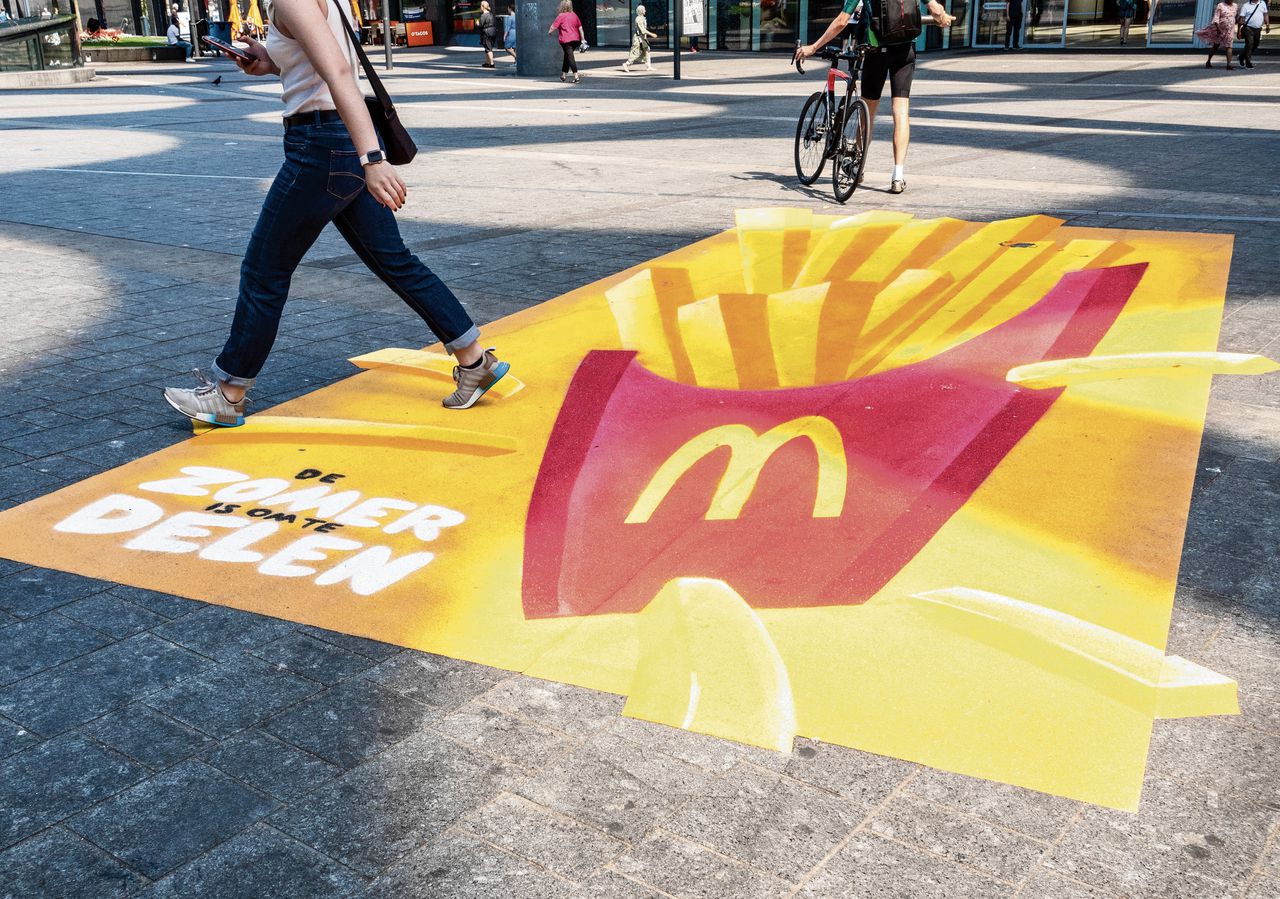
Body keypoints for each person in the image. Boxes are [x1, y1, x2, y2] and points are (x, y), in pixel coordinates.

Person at [163, 0, 509, 426]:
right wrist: (268, 60)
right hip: (337, 143)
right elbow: (321, 62)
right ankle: (475, 361)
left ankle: (228, 393)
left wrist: (373, 157)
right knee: (394, 260)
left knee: (264, 271)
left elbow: (340, 73)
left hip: (322, 147)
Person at [796, 0, 953, 195]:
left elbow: (842, 21)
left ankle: (857, 165)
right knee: (901, 111)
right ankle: (898, 175)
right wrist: (943, 17)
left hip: (876, 51)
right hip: (905, 51)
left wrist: (814, 47)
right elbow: (936, 9)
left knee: (868, 112)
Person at [548, 0, 583, 83]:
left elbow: (553, 26)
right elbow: (580, 28)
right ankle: (563, 75)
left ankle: (576, 76)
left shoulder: (561, 16)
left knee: (570, 57)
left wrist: (549, 32)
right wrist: (583, 39)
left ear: (562, 6)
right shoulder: (574, 15)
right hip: (576, 40)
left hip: (566, 40)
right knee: (567, 56)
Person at [1197, 0, 1238, 67]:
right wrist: (1218, 29)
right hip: (1220, 29)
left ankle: (1229, 64)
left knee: (1229, 46)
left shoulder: (1235, 6)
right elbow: (1216, 18)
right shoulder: (1220, 5)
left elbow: (1235, 16)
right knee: (1216, 46)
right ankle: (1208, 61)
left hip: (1230, 30)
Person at [622, 3, 656, 72]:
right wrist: (652, 34)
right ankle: (626, 64)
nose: (645, 11)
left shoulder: (642, 18)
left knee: (647, 50)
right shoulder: (639, 19)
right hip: (638, 39)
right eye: (644, 10)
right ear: (641, 11)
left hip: (642, 38)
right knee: (635, 53)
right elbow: (642, 30)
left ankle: (648, 66)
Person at [1238, 0, 1269, 67]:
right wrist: (1239, 31)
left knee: (1256, 44)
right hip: (1248, 28)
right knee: (1249, 44)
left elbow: (1265, 14)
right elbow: (1241, 19)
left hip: (1258, 29)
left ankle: (1242, 56)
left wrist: (1267, 25)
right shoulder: (1245, 6)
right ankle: (1248, 62)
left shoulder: (1262, 3)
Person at [478, 0, 496, 67]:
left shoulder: (483, 15)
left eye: (480, 5)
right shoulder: (491, 14)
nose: (480, 7)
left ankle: (491, 63)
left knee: (488, 49)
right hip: (493, 31)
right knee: (488, 48)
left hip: (486, 32)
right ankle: (487, 62)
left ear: (483, 7)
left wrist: (477, 24)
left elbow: (481, 25)